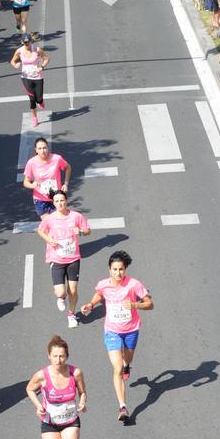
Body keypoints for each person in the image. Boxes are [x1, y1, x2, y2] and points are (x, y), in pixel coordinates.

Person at [80, 250, 153, 422]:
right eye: (114, 269)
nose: (118, 273)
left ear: (125, 269)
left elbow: (150, 303)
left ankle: (128, 364)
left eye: (121, 269)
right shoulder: (104, 284)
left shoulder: (133, 284)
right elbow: (99, 293)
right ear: (109, 269)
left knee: (127, 359)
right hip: (112, 330)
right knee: (117, 368)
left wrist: (135, 304)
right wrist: (90, 304)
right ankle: (123, 407)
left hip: (131, 329)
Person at [37, 191, 90, 326]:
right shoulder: (50, 218)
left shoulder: (76, 216)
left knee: (72, 290)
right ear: (53, 203)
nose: (60, 203)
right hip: (57, 259)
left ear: (66, 201)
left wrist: (82, 231)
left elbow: (87, 230)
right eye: (57, 201)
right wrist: (49, 239)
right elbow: (40, 231)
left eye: (62, 200)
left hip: (73, 258)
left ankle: (71, 314)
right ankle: (61, 297)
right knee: (60, 292)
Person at [23, 136, 71, 219]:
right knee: (48, 224)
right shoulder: (31, 163)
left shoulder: (57, 159)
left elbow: (68, 168)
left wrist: (65, 184)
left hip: (56, 197)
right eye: (40, 148)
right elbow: (26, 182)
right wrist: (32, 185)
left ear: (48, 148)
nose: (43, 151)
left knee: (58, 222)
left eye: (44, 148)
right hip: (40, 199)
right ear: (36, 150)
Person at [10, 33, 49, 126]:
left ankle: (40, 101)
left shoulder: (37, 50)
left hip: (37, 77)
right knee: (32, 99)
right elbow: (12, 61)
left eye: (28, 42)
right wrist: (15, 65)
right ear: (22, 42)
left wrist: (41, 67)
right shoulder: (19, 51)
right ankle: (34, 118)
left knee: (38, 99)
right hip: (26, 78)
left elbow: (46, 58)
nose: (27, 44)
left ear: (31, 41)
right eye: (25, 42)